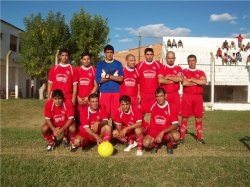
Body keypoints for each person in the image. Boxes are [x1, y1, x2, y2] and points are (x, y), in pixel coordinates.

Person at [143, 88, 180, 155]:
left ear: (165, 96)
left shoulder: (171, 107)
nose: (159, 98)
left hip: (166, 132)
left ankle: (169, 144)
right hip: (154, 131)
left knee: (176, 135)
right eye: (157, 96)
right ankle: (155, 145)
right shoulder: (152, 104)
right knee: (145, 143)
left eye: (161, 96)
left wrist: (162, 132)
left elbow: (175, 124)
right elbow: (139, 109)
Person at [180, 54, 207, 145]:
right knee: (184, 117)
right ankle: (182, 137)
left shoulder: (201, 72)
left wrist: (191, 79)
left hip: (198, 97)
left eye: (193, 60)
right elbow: (184, 83)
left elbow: (204, 81)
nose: (191, 62)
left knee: (198, 117)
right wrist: (197, 81)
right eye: (190, 60)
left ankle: (199, 137)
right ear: (188, 62)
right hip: (187, 96)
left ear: (196, 61)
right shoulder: (184, 71)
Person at [95, 45, 124, 118]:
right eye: (107, 52)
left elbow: (120, 79)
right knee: (104, 114)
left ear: (113, 53)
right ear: (105, 53)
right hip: (104, 92)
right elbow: (98, 80)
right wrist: (113, 78)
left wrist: (109, 76)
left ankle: (115, 129)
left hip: (116, 92)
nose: (109, 54)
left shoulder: (118, 64)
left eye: (111, 52)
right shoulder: (100, 64)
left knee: (116, 115)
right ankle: (106, 129)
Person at [136, 48, 163, 114]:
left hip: (154, 94)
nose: (149, 56)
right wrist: (138, 93)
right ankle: (142, 124)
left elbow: (161, 79)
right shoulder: (139, 66)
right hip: (143, 94)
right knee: (141, 112)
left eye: (151, 54)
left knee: (155, 111)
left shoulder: (159, 65)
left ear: (153, 55)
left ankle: (154, 124)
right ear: (145, 55)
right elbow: (137, 81)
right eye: (147, 54)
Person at [76, 52, 98, 121]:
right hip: (79, 100)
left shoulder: (94, 70)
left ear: (90, 60)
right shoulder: (77, 70)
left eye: (88, 59)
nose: (86, 61)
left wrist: (88, 97)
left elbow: (96, 86)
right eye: (84, 59)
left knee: (90, 120)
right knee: (78, 120)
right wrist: (77, 97)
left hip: (89, 100)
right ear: (81, 60)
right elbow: (74, 86)